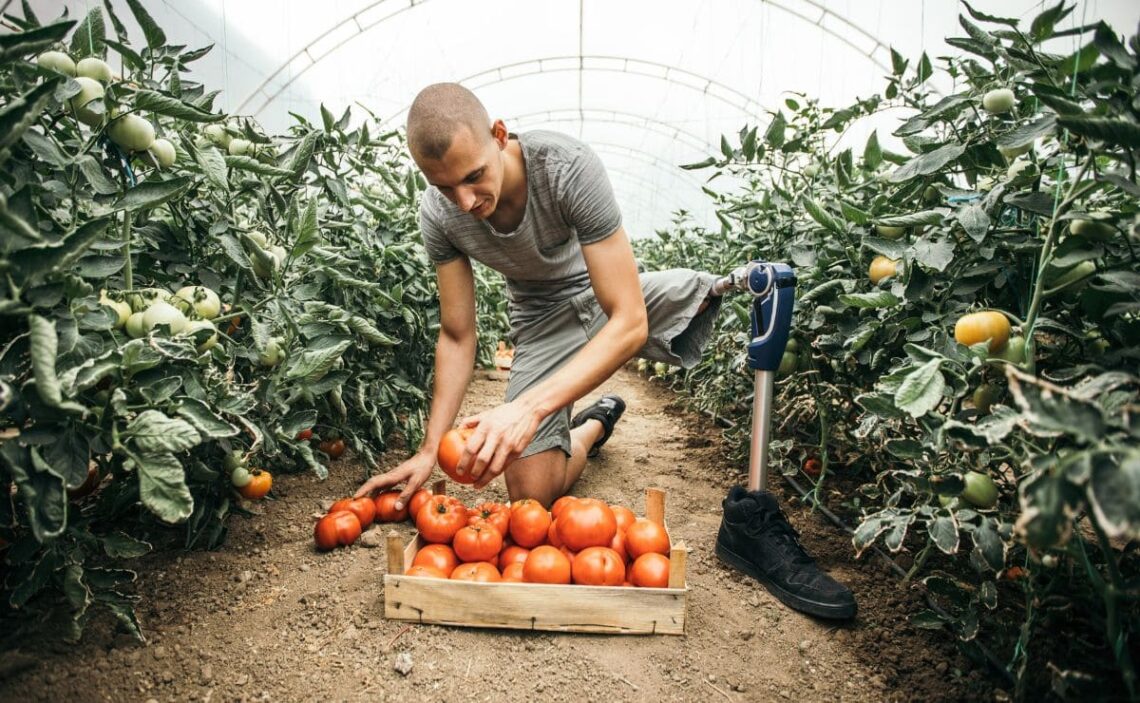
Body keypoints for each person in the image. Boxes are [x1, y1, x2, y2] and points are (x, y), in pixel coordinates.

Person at [355, 83, 855, 619]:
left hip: (609, 298)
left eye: (474, 176)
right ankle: (591, 426)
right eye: (444, 186)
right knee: (531, 496)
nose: (465, 202)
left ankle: (753, 517)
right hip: (542, 324)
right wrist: (431, 450)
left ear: (499, 136)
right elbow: (458, 335)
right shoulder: (439, 215)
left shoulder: (566, 166)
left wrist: (526, 408)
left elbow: (631, 320)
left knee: (732, 289)